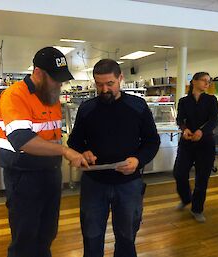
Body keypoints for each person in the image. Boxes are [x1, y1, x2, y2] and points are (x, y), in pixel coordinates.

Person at [0, 46, 88, 257]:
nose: (60, 83)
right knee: (25, 238)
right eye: (55, 78)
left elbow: (51, 135)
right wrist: (65, 152)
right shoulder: (15, 95)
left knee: (47, 233)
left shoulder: (51, 96)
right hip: (24, 177)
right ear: (37, 72)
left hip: (50, 175)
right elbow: (22, 139)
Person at [67, 59, 160, 257]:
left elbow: (152, 141)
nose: (104, 89)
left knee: (127, 237)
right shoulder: (87, 108)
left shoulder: (138, 106)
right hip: (94, 183)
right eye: (99, 84)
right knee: (92, 237)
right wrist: (83, 151)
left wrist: (138, 160)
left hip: (129, 183)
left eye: (110, 83)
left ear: (121, 79)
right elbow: (74, 142)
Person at [174, 72, 218, 223]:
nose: (207, 84)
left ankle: (197, 209)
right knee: (179, 173)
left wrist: (202, 131)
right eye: (204, 80)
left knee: (202, 178)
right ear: (194, 81)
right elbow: (180, 118)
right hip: (187, 142)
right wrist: (184, 129)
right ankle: (186, 198)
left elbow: (214, 120)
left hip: (205, 144)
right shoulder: (184, 101)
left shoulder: (211, 100)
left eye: (209, 81)